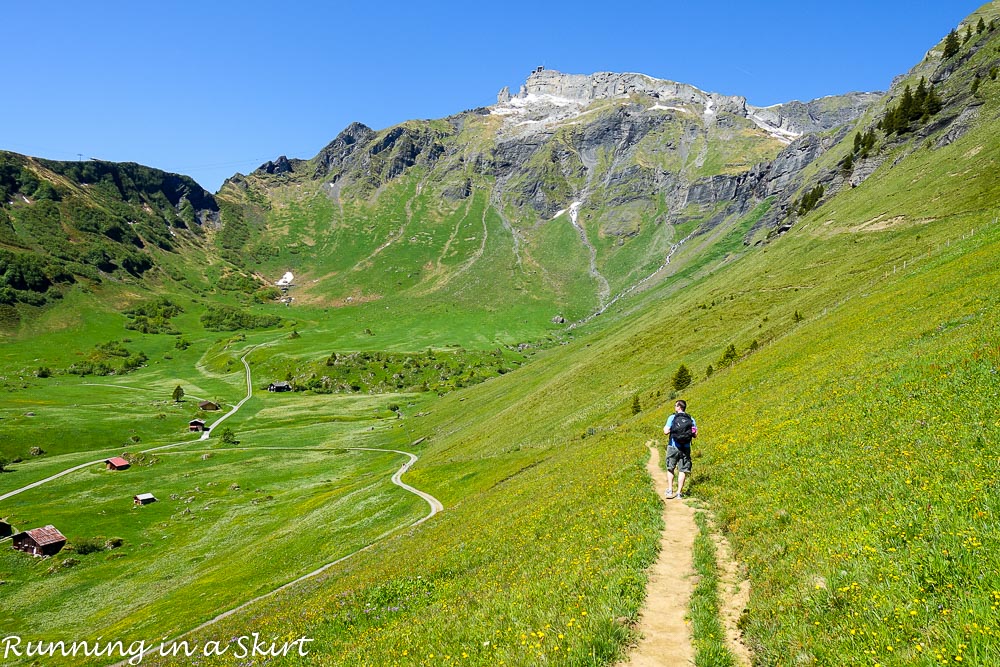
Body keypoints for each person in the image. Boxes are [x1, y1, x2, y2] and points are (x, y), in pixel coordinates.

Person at [663, 399, 696, 499]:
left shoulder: (672, 417)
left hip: (673, 446)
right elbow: (695, 434)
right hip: (685, 447)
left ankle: (670, 490)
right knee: (682, 470)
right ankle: (679, 493)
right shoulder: (691, 419)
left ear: (678, 407)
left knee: (670, 468)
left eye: (675, 405)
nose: (674, 407)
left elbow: (665, 431)